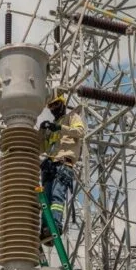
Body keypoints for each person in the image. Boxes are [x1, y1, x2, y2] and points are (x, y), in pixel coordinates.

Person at [39, 93, 85, 244]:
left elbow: (80, 132)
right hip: (51, 165)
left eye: (55, 105)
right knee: (46, 199)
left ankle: (56, 225)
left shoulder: (72, 117)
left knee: (57, 197)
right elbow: (42, 148)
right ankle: (45, 229)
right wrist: (42, 132)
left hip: (64, 163)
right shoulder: (52, 128)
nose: (53, 109)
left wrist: (60, 127)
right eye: (50, 106)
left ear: (63, 104)